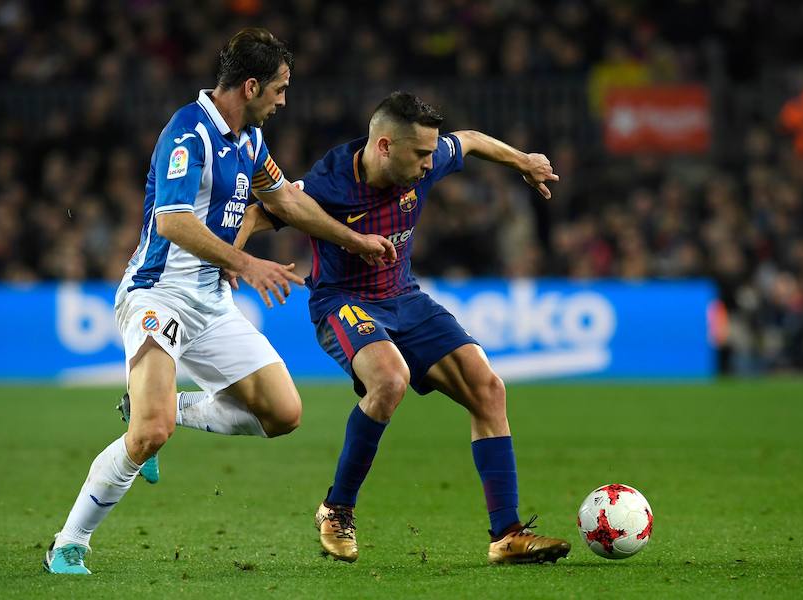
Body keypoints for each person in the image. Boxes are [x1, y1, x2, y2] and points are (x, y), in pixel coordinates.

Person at [43, 28, 395, 575]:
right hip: (158, 294)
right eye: (278, 89)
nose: (283, 101)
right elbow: (173, 219)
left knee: (283, 414)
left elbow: (283, 199)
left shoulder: (249, 140)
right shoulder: (190, 133)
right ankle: (70, 543)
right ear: (250, 86)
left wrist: (353, 240)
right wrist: (245, 262)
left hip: (210, 303)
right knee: (148, 433)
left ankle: (171, 408)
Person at [233, 91, 571, 564]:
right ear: (386, 146)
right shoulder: (328, 183)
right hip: (344, 302)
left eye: (433, 152)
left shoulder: (427, 160)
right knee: (390, 380)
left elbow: (470, 141)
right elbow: (261, 211)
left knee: (487, 388)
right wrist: (237, 260)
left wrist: (523, 162)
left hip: (404, 298)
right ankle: (337, 509)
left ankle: (507, 534)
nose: (431, 163)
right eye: (421, 154)